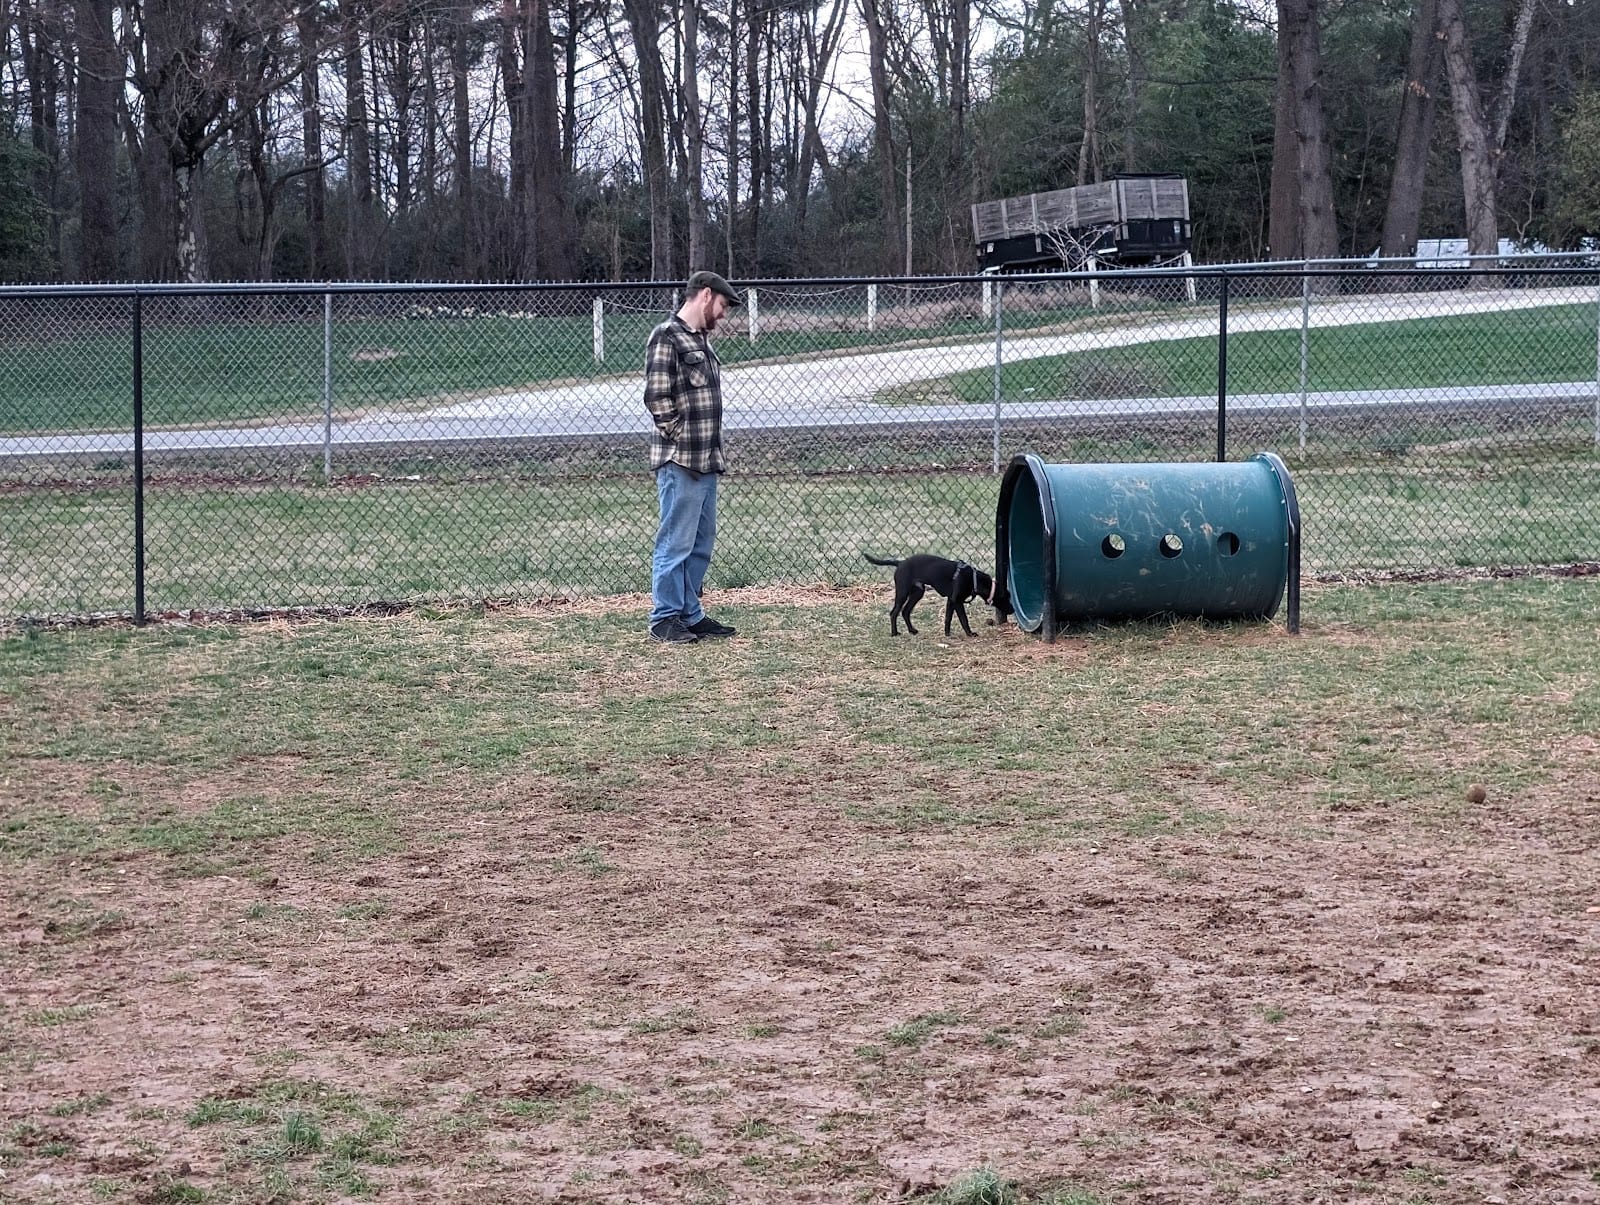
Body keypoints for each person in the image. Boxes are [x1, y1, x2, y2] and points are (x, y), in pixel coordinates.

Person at [643, 270, 743, 644]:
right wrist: (681, 437)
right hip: (681, 461)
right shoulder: (667, 336)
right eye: (722, 305)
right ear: (705, 295)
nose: (723, 314)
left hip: (706, 460)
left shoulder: (699, 340)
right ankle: (664, 617)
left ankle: (690, 613)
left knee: (700, 543)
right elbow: (657, 398)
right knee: (676, 542)